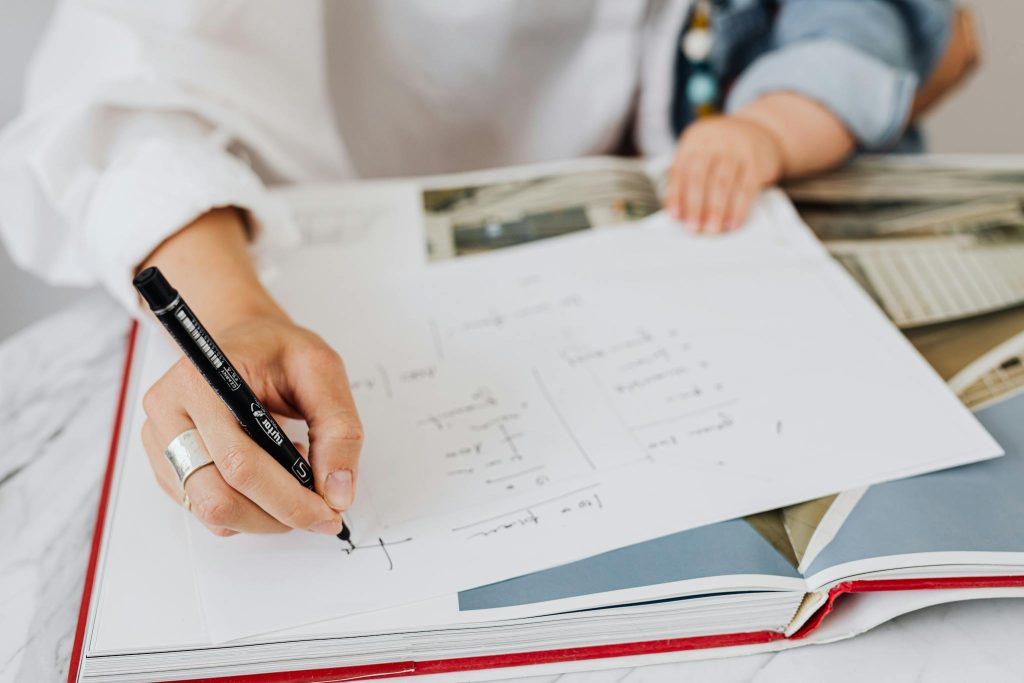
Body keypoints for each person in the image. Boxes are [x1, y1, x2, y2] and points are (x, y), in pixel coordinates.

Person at [0, 0, 952, 538]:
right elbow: (120, 87)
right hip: (298, 252)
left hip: (685, 259)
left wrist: (788, 117)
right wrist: (229, 307)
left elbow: (901, 36)